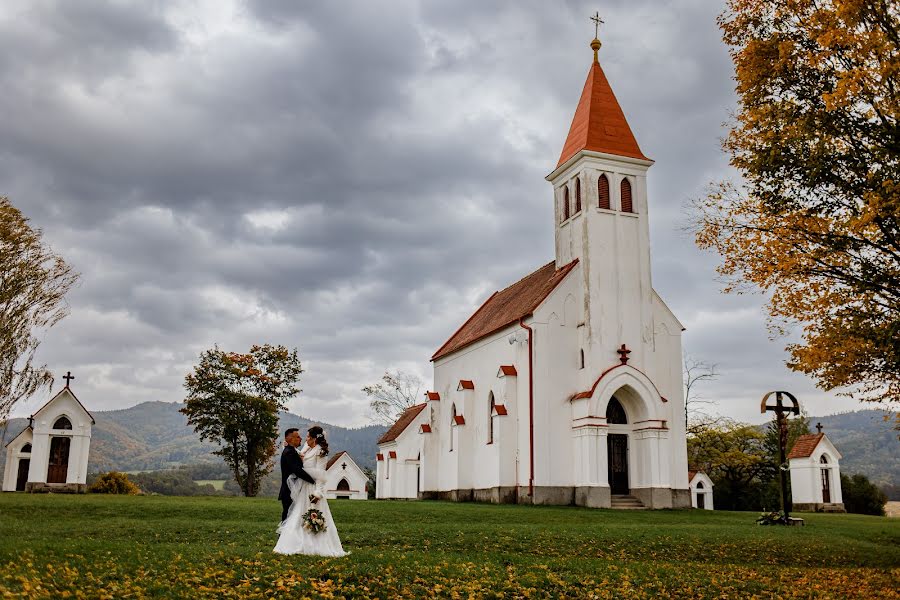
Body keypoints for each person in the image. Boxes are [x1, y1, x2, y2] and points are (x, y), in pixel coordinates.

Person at [273, 426, 347, 556]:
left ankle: (315, 543)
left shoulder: (320, 452)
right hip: (304, 488)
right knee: (298, 515)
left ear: (313, 439)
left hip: (312, 489)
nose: (305, 439)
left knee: (310, 513)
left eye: (307, 437)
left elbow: (321, 475)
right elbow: (299, 455)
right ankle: (295, 541)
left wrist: (318, 492)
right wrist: (288, 446)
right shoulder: (309, 448)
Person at [278, 428, 316, 522]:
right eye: (298, 437)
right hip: (289, 490)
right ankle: (283, 536)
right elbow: (297, 470)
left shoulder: (291, 451)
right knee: (288, 517)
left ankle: (285, 536)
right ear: (290, 439)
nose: (301, 438)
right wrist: (313, 481)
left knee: (290, 517)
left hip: (293, 490)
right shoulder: (289, 452)